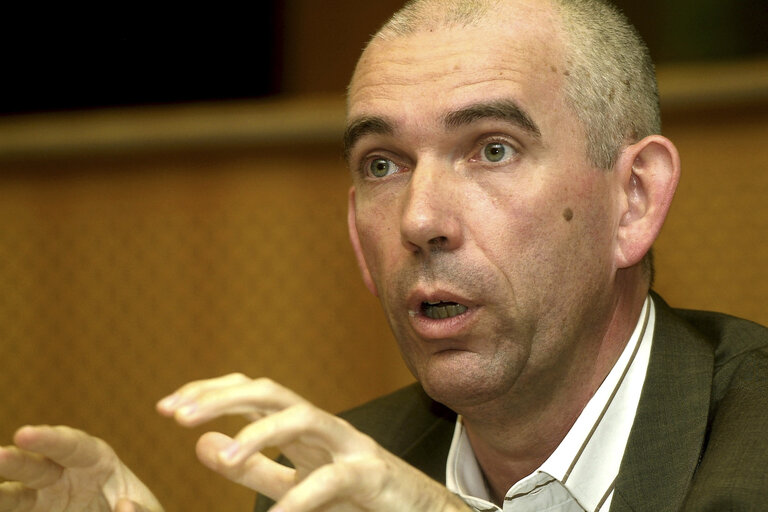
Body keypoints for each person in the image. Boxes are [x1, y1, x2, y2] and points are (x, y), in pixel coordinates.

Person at [1, 0, 767, 510]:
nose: (421, 218)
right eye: (382, 165)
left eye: (492, 149)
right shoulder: (324, 482)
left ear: (632, 199)